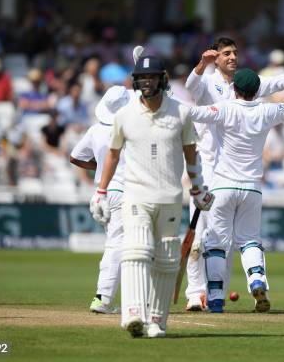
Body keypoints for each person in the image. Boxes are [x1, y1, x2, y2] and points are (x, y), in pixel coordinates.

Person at [184, 51, 284, 313]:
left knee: (216, 243)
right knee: (249, 240)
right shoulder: (266, 111)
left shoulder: (225, 108)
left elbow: (192, 113)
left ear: (236, 89)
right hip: (252, 188)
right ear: (255, 91)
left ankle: (216, 299)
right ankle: (256, 280)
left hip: (222, 186)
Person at [90, 55, 214, 338]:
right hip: (135, 195)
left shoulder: (181, 113)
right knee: (136, 250)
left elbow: (191, 154)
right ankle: (133, 314)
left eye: (152, 77)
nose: (146, 81)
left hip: (170, 196)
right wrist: (100, 191)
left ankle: (157, 320)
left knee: (167, 258)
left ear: (162, 79)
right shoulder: (124, 116)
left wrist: (198, 187)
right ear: (136, 80)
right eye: (142, 77)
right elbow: (112, 155)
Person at [70, 86, 131, 314]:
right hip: (125, 191)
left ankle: (117, 298)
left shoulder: (96, 130)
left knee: (118, 244)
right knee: (120, 244)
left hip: (103, 193)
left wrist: (100, 168)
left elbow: (75, 157)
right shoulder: (130, 128)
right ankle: (103, 298)